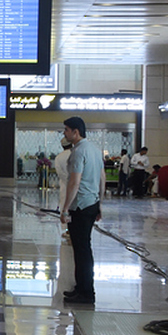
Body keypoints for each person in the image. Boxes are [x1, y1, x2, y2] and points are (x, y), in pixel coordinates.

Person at [60, 116, 105, 305]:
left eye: (66, 130)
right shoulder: (94, 150)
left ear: (75, 132)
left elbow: (74, 181)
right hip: (92, 203)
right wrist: (99, 204)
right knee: (83, 248)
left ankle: (86, 293)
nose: (64, 133)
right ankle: (82, 287)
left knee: (82, 250)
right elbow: (102, 178)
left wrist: (65, 209)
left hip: (80, 206)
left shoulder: (78, 152)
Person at [54, 137, 73, 212]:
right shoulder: (77, 154)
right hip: (79, 187)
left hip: (65, 187)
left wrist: (68, 182)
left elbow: (60, 173)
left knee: (65, 207)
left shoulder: (59, 157)